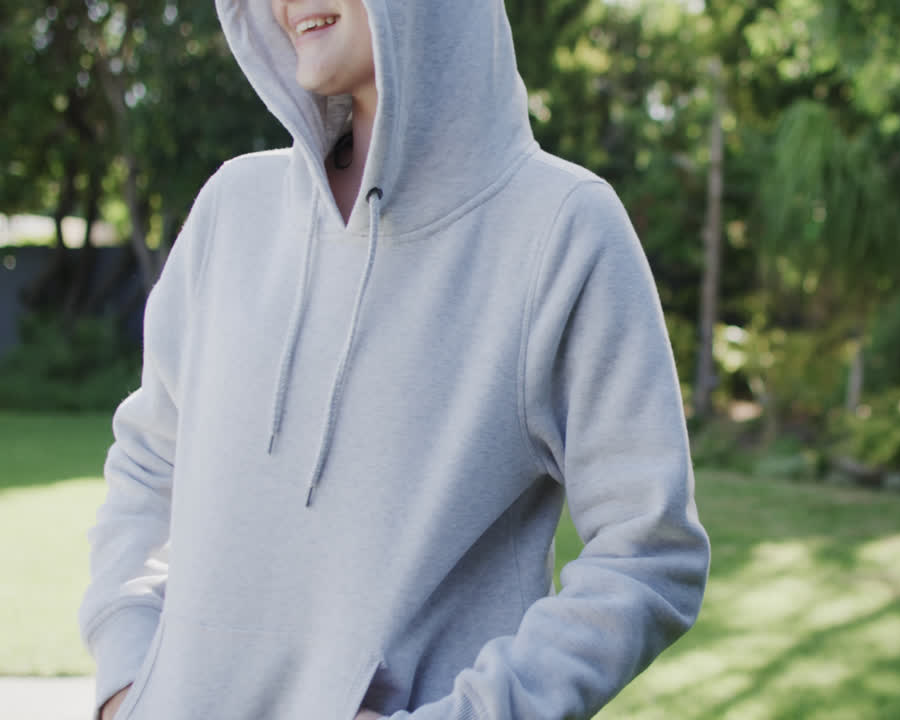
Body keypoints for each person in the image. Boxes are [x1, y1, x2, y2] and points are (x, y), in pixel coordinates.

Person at [79, 1, 710, 718]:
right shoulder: (233, 208)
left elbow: (650, 551)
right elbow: (148, 463)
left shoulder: (560, 230)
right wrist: (129, 677)